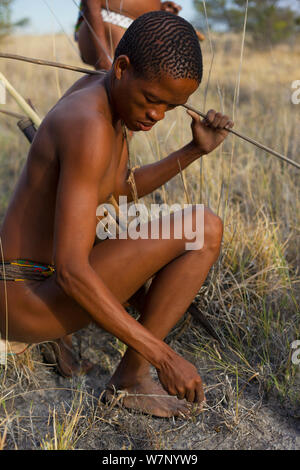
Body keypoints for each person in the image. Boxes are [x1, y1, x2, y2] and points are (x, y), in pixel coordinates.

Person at [0, 11, 233, 418]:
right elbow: (72, 272)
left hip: (34, 286)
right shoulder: (87, 124)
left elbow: (115, 192)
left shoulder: (106, 94)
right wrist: (163, 356)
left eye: (171, 107)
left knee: (198, 226)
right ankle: (130, 381)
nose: (157, 116)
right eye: (153, 100)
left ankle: (128, 378)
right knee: (204, 227)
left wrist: (194, 151)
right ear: (123, 68)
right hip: (23, 295)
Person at [75, 0, 204, 70]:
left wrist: (159, 7)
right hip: (104, 32)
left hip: (133, 33)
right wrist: (103, 59)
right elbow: (91, 4)